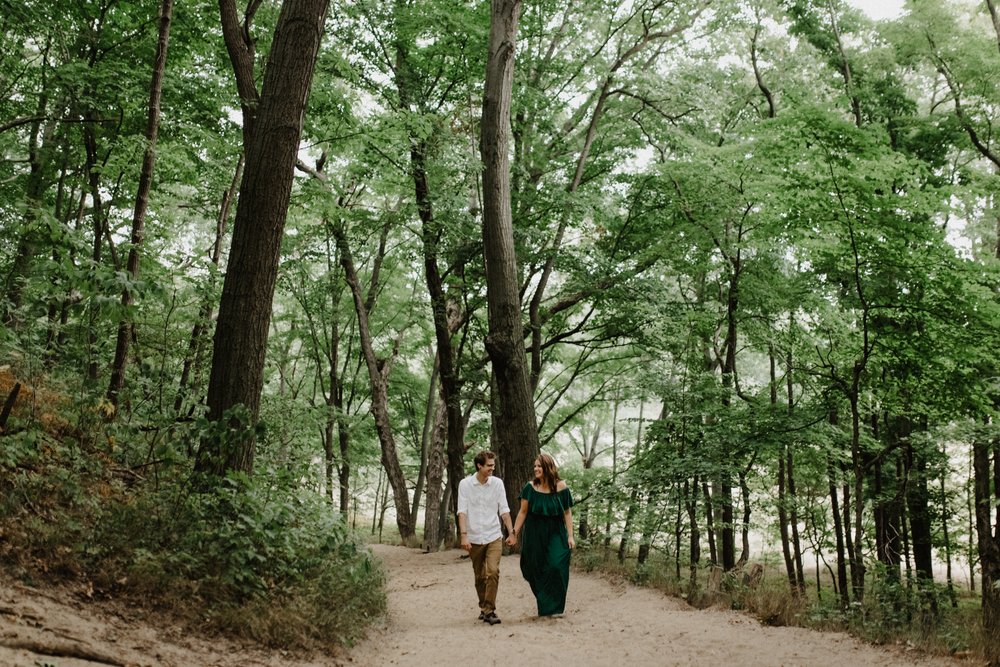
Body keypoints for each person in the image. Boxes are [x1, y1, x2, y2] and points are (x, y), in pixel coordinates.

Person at [507, 452, 575, 617]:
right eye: (535, 466)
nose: (536, 469)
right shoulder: (530, 487)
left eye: (539, 466)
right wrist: (514, 533)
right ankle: (545, 606)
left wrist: (570, 536)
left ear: (547, 467)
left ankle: (556, 607)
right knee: (535, 569)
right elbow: (523, 512)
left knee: (556, 566)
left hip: (556, 533)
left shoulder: (561, 487)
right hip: (534, 533)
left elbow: (567, 513)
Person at [457, 450, 514, 625]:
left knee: (493, 571)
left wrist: (511, 532)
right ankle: (484, 607)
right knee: (479, 576)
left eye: (493, 465)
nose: (492, 468)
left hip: (493, 535)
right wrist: (464, 536)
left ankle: (489, 610)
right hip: (474, 537)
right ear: (479, 466)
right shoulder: (465, 484)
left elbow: (504, 510)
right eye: (489, 465)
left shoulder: (497, 484)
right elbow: (462, 511)